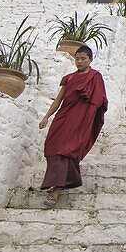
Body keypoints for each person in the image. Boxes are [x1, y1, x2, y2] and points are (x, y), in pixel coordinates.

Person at [38, 45, 108, 208]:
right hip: (63, 117)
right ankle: (60, 181)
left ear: (91, 60)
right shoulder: (68, 78)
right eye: (77, 58)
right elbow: (58, 100)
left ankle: (55, 190)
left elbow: (98, 102)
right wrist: (47, 117)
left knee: (66, 150)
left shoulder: (95, 77)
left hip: (80, 120)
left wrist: (87, 124)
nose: (80, 61)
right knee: (53, 147)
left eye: (83, 58)